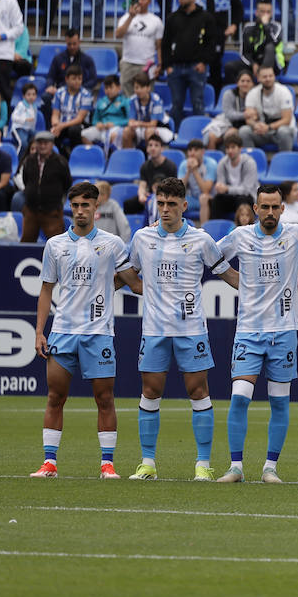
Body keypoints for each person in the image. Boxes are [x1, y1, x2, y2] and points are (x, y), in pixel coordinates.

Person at [30, 181, 140, 479]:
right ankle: (49, 463)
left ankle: (107, 465)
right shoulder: (55, 245)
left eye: (85, 205)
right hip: (63, 332)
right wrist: (40, 331)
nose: (80, 211)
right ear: (71, 208)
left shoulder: (112, 244)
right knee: (55, 397)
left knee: (105, 399)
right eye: (75, 205)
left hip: (99, 334)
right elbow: (45, 290)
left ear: (96, 207)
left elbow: (135, 283)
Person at [213, 183, 298, 484]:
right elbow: (210, 255)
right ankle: (235, 467)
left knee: (279, 402)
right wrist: (237, 280)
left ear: (282, 209)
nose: (270, 212)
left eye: (275, 207)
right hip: (248, 330)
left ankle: (270, 468)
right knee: (240, 399)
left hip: (284, 331)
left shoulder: (297, 234)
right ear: (255, 209)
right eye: (265, 207)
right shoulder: (240, 236)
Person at [125, 176, 229, 481]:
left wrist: (260, 286)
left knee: (198, 392)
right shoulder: (142, 238)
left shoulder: (201, 239)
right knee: (150, 391)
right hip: (155, 330)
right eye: (161, 203)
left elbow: (226, 273)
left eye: (172, 204)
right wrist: (149, 290)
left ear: (184, 205)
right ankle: (147, 463)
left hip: (191, 330)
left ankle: (202, 465)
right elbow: (130, 276)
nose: (166, 209)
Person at [162, 0, 215, 130]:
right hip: (176, 68)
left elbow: (211, 43)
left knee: (198, 102)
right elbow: (165, 43)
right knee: (176, 103)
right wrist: (167, 66)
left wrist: (204, 62)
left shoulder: (205, 17)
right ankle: (176, 133)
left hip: (196, 67)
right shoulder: (172, 18)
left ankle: (200, 133)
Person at [19, 130, 70, 242]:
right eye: (40, 143)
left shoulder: (60, 162)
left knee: (57, 245)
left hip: (52, 211)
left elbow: (67, 183)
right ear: (35, 144)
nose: (42, 146)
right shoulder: (29, 160)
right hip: (31, 210)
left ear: (52, 144)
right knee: (26, 243)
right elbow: (25, 180)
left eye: (46, 143)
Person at [114, 0, 165, 86]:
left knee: (146, 95)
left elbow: (159, 46)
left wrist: (160, 64)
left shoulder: (156, 20)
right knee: (127, 97)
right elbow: (118, 35)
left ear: (149, 1)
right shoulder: (125, 18)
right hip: (128, 63)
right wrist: (131, 17)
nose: (140, 2)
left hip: (147, 64)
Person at [241, 65, 296, 152]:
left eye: (271, 76)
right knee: (244, 131)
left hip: (280, 129)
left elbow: (287, 119)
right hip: (262, 130)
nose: (268, 79)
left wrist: (269, 127)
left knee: (284, 132)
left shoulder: (284, 92)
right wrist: (256, 125)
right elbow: (248, 119)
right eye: (265, 77)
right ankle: (252, 160)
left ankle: (284, 161)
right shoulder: (252, 93)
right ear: (258, 78)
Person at [210, 132, 259, 220]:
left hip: (247, 197)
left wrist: (227, 189)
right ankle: (215, 228)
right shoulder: (222, 163)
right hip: (230, 197)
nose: (230, 151)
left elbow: (247, 190)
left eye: (233, 147)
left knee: (242, 199)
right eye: (227, 148)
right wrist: (219, 187)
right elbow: (221, 185)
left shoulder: (249, 163)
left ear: (240, 148)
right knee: (217, 200)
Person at [49, 64, 92, 154]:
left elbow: (79, 119)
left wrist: (61, 126)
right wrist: (56, 125)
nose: (77, 81)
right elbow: (55, 114)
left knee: (74, 130)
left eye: (79, 79)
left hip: (79, 125)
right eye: (74, 79)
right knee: (52, 133)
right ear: (66, 79)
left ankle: (76, 156)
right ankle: (62, 157)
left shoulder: (86, 95)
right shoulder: (59, 93)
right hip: (62, 124)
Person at [83, 74, 129, 150]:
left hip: (118, 129)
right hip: (102, 129)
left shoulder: (125, 102)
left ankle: (113, 157)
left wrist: (115, 124)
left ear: (119, 88)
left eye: (111, 87)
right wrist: (98, 124)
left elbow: (129, 121)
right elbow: (95, 120)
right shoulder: (100, 102)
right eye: (106, 88)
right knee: (84, 134)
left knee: (114, 135)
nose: (108, 90)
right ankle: (96, 155)